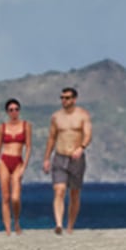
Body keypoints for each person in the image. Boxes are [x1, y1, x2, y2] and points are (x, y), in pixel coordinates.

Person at [43, 86, 92, 234]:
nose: (64, 100)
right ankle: (58, 224)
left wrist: (81, 147)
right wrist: (46, 158)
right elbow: (51, 138)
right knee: (59, 190)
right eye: (62, 98)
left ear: (74, 99)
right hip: (60, 156)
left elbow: (88, 135)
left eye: (67, 98)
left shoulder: (83, 115)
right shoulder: (56, 117)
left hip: (76, 158)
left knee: (74, 193)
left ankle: (70, 226)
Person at [0, 99, 32, 235]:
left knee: (15, 198)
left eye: (16, 109)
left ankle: (16, 221)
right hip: (4, 161)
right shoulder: (2, 128)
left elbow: (29, 147)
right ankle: (7, 229)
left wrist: (24, 166)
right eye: (11, 110)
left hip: (18, 161)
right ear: (7, 112)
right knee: (6, 197)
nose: (14, 112)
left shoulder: (26, 126)